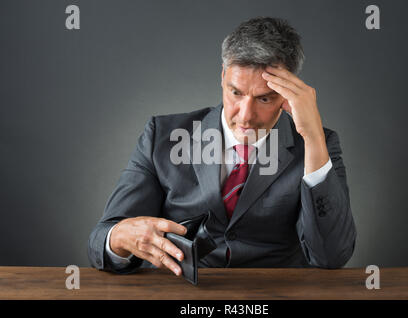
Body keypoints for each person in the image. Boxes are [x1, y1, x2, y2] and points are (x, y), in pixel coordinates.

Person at [88, 17, 357, 276]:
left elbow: (331, 256)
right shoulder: (162, 136)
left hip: (274, 293)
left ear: (289, 95)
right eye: (236, 92)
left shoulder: (318, 144)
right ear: (222, 77)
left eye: (264, 98)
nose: (245, 115)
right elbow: (101, 239)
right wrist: (119, 238)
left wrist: (312, 138)